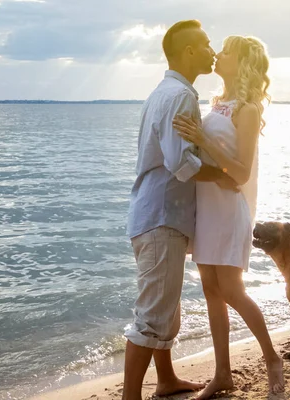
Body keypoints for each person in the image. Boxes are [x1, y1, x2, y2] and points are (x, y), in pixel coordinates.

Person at [123, 20, 238, 400]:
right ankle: (130, 397)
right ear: (189, 51)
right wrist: (222, 175)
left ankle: (167, 379)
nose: (212, 50)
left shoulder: (164, 91)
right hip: (160, 217)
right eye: (206, 44)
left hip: (153, 214)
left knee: (166, 307)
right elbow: (180, 163)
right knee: (153, 313)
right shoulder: (181, 96)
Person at [173, 35, 284, 399]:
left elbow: (241, 172)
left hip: (229, 209)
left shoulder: (247, 110)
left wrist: (203, 140)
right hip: (206, 209)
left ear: (242, 62)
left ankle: (272, 358)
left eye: (225, 51)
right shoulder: (218, 103)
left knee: (232, 291)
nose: (218, 55)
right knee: (210, 291)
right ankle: (222, 374)